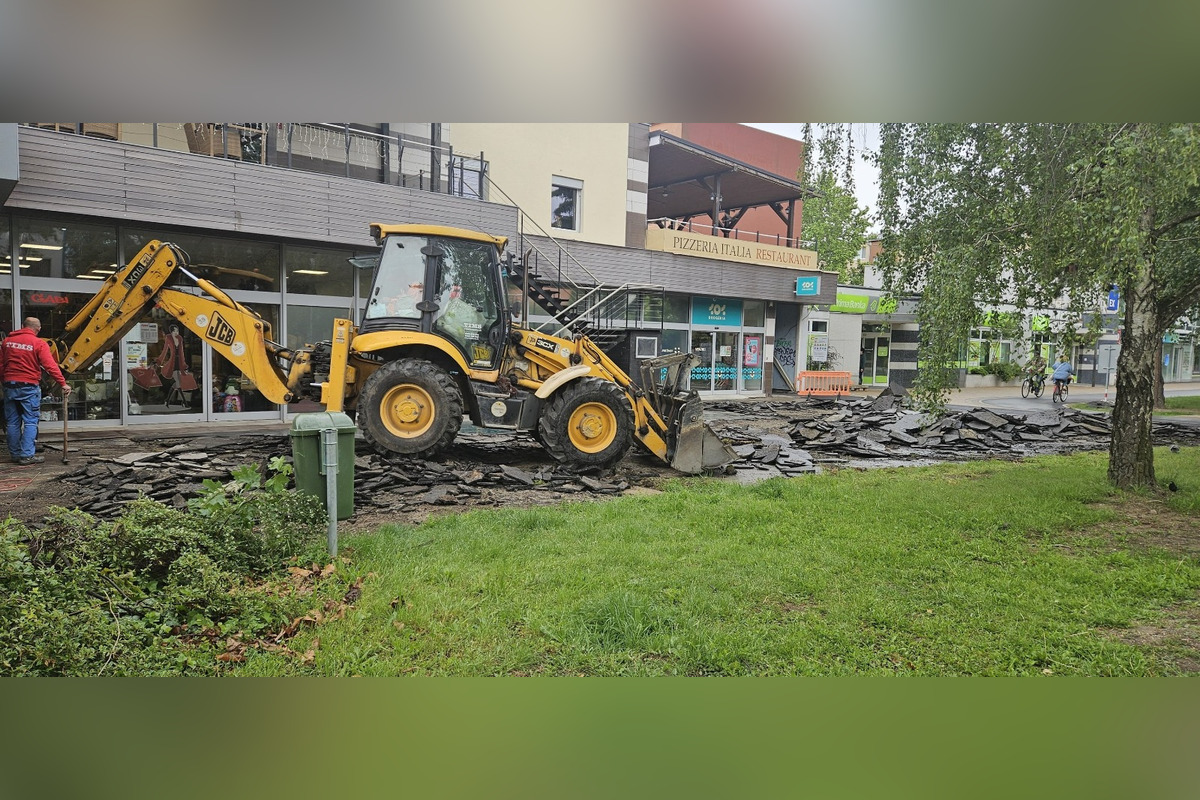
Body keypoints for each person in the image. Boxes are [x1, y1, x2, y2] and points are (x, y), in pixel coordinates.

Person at [0, 317, 72, 466]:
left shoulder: (7, 342)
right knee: (30, 421)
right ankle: (26, 455)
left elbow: (1, 364)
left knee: (12, 422)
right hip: (28, 385)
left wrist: (4, 380)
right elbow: (50, 365)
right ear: (38, 329)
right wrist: (62, 383)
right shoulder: (38, 343)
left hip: (10, 385)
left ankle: (15, 454)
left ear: (22, 326)